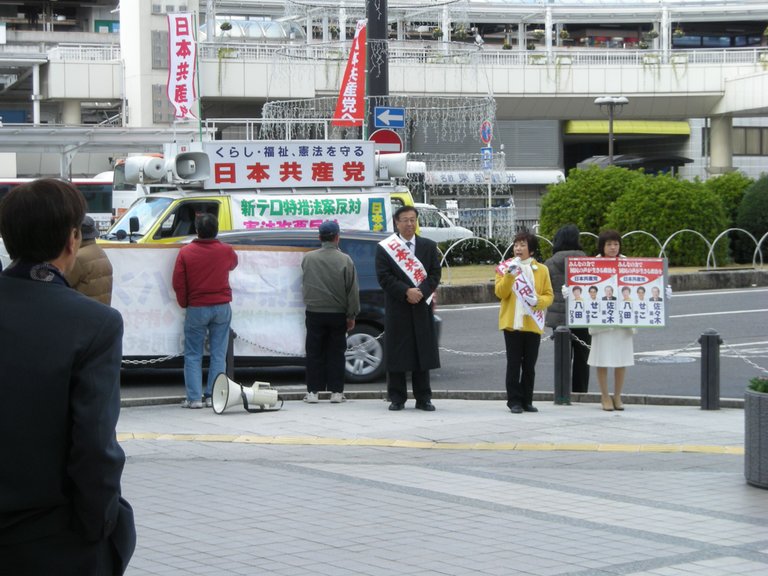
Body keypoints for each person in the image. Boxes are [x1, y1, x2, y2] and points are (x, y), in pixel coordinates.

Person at [0, 179, 135, 575]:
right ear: (72, 239)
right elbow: (94, 446)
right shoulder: (94, 323)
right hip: (51, 538)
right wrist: (101, 527)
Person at [376, 205, 441, 412]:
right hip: (398, 308)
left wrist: (420, 291)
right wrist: (406, 292)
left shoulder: (429, 246)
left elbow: (434, 274)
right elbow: (384, 277)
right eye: (405, 220)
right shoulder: (385, 248)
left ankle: (424, 398)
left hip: (421, 306)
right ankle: (397, 397)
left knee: (421, 352)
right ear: (397, 222)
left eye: (413, 219)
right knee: (397, 353)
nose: (409, 224)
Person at [172, 213, 238, 409]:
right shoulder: (226, 251)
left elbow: (178, 283)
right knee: (219, 354)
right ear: (216, 230)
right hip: (222, 306)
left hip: (197, 307)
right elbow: (234, 264)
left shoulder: (186, 252)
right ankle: (213, 396)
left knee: (193, 354)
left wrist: (185, 303)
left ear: (197, 230)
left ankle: (194, 399)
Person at [301, 220, 360, 404]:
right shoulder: (345, 260)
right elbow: (352, 291)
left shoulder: (308, 258)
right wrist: (351, 315)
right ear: (337, 237)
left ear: (319, 237)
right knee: (336, 352)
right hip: (337, 314)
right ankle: (336, 392)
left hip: (314, 312)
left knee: (314, 352)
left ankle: (312, 392)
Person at [496, 230, 554, 413]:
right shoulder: (505, 268)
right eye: (516, 245)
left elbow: (549, 295)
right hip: (512, 323)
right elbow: (500, 293)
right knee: (513, 364)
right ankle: (514, 401)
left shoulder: (542, 270)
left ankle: (527, 400)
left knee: (529, 364)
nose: (518, 248)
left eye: (523, 245)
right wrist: (509, 276)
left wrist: (539, 302)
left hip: (532, 323)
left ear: (532, 250)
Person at [588, 229, 634, 411]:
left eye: (616, 244)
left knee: (621, 359)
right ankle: (605, 396)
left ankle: (617, 395)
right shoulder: (593, 264)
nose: (613, 247)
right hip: (601, 319)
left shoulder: (627, 263)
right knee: (602, 359)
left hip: (623, 319)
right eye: (609, 244)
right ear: (602, 246)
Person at [544, 223, 592, 394]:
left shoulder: (550, 263)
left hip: (559, 317)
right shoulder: (587, 262)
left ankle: (562, 393)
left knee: (563, 358)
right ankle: (580, 392)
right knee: (582, 357)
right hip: (583, 315)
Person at [65, 215, 114, 305]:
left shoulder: (78, 257)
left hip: (83, 312)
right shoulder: (99, 251)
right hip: (102, 311)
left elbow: (62, 285)